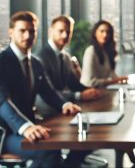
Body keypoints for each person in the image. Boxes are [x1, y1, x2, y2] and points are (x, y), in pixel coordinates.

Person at [0, 11, 81, 167]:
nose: (28, 36)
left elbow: (48, 92)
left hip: (31, 123)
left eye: (32, 31)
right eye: (22, 31)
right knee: (49, 150)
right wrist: (25, 127)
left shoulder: (36, 63)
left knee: (71, 140)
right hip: (7, 132)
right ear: (11, 32)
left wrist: (65, 105)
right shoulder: (2, 61)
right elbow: (2, 101)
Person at [36, 15, 101, 103]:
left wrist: (92, 90)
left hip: (63, 105)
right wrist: (79, 96)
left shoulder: (66, 57)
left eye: (68, 32)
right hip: (48, 109)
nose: (65, 35)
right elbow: (48, 93)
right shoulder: (40, 57)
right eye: (61, 31)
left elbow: (74, 84)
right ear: (50, 31)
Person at [80, 20, 128, 87]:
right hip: (89, 92)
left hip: (102, 91)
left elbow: (112, 75)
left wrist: (120, 79)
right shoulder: (90, 51)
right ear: (95, 33)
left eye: (108, 32)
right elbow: (89, 82)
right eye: (102, 31)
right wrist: (115, 81)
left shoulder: (106, 52)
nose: (105, 35)